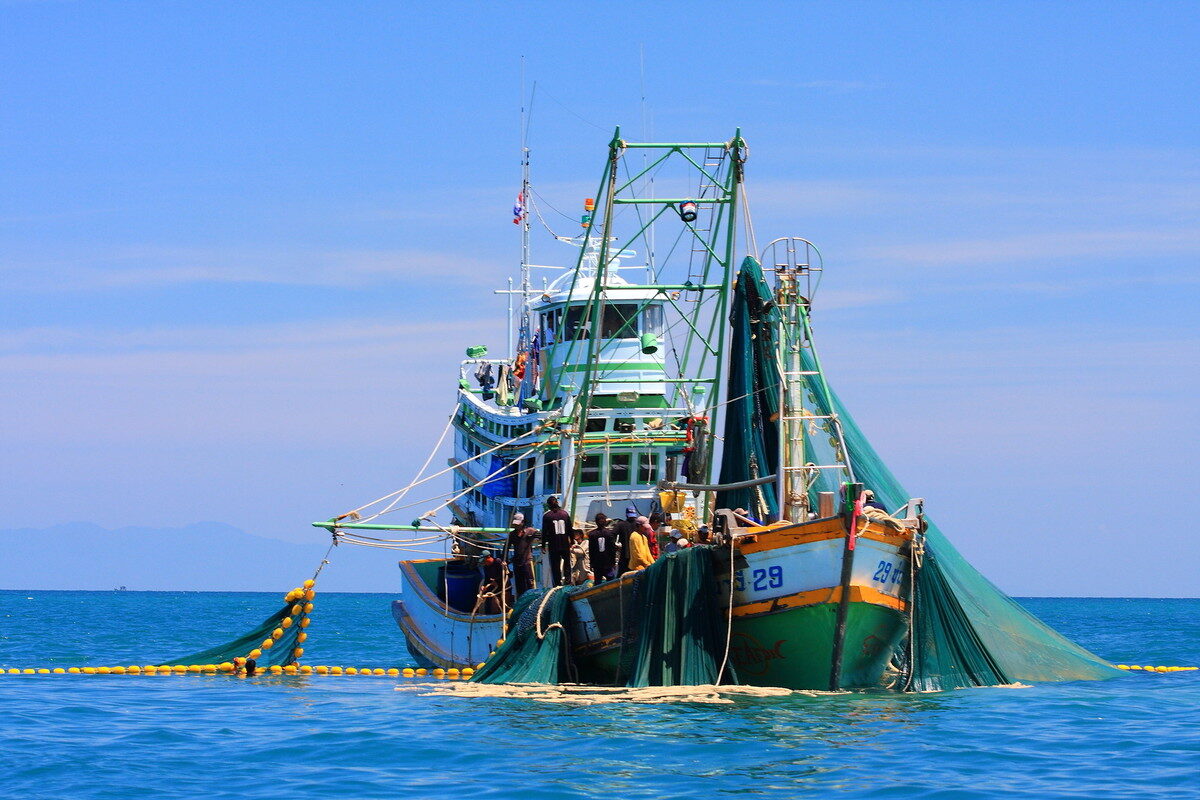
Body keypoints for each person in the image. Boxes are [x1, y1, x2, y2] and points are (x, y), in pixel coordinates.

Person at [542, 496, 573, 586]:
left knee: (555, 566)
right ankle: (568, 582)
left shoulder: (547, 516)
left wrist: (543, 545)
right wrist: (572, 541)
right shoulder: (565, 514)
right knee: (567, 563)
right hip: (564, 543)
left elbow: (544, 532)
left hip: (554, 545)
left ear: (549, 505)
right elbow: (570, 529)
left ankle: (557, 584)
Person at [503, 514, 536, 596]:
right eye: (515, 524)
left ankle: (531, 602)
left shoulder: (530, 531)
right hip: (517, 563)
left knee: (530, 584)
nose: (516, 526)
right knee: (519, 586)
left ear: (523, 522)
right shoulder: (512, 534)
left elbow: (541, 535)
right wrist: (505, 560)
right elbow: (506, 548)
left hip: (527, 562)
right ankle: (521, 602)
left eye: (518, 524)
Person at [588, 513, 617, 583]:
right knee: (611, 582)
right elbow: (613, 549)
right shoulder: (610, 533)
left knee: (598, 582)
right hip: (608, 563)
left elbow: (591, 550)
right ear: (605, 522)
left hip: (597, 563)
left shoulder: (592, 534)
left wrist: (591, 563)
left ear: (596, 522)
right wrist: (613, 562)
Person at [612, 505, 639, 575]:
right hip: (636, 555)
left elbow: (612, 534)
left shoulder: (621, 524)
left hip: (625, 555)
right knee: (635, 576)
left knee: (621, 576)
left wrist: (615, 545)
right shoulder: (639, 525)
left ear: (626, 515)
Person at [476, 550, 504, 614]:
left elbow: (505, 575)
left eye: (485, 561)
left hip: (503, 586)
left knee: (500, 602)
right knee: (490, 600)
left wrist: (495, 581)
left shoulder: (498, 562)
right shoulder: (486, 567)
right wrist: (484, 586)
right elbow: (487, 578)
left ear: (489, 557)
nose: (485, 563)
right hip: (494, 587)